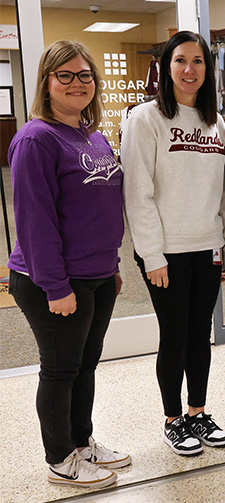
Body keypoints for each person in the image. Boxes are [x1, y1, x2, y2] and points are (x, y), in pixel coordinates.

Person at [7, 40, 130, 488]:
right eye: (65, 75)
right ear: (47, 82)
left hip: (95, 274)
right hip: (52, 280)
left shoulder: (93, 135)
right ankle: (61, 458)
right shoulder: (36, 138)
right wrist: (56, 287)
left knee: (86, 363)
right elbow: (35, 221)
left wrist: (111, 264)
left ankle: (82, 441)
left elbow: (101, 208)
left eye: (84, 75)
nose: (77, 83)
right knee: (60, 369)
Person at [121, 31, 225, 456]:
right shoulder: (145, 119)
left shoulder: (216, 122)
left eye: (199, 62)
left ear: (208, 70)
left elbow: (222, 193)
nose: (190, 70)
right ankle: (173, 419)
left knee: (198, 333)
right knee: (174, 333)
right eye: (181, 61)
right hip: (165, 251)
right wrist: (151, 255)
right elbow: (138, 193)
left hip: (206, 245)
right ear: (167, 67)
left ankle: (197, 412)